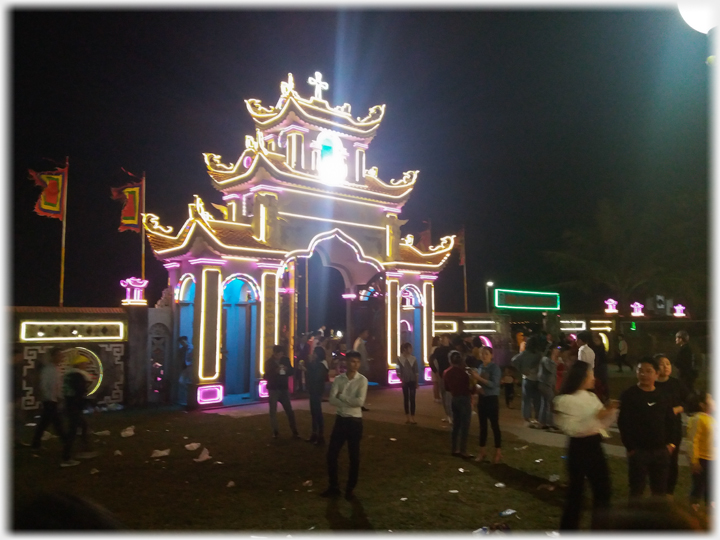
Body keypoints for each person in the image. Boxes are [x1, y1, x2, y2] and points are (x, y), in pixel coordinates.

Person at [553, 360, 618, 530]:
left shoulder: (591, 397)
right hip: (579, 447)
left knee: (603, 490)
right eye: (591, 374)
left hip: (595, 446)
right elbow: (572, 428)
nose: (594, 378)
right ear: (581, 377)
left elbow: (602, 423)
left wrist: (609, 412)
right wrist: (598, 417)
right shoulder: (564, 400)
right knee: (576, 494)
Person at [617, 356, 676, 500]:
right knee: (637, 490)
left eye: (648, 371)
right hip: (638, 451)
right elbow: (623, 423)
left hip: (661, 451)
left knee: (659, 492)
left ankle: (658, 520)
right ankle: (636, 520)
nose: (644, 374)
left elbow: (671, 421)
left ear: (656, 374)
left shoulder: (663, 396)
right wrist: (630, 447)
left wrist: (671, 444)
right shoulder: (629, 395)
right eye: (640, 371)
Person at [320, 350, 368, 501]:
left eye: (357, 362)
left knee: (354, 457)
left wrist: (342, 396)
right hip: (341, 420)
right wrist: (347, 399)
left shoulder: (362, 380)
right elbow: (332, 400)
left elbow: (359, 402)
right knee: (332, 454)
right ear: (346, 362)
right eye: (352, 361)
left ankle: (350, 488)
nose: (355, 364)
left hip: (354, 421)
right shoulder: (339, 379)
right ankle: (334, 486)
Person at [654, 353, 691, 498]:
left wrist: (678, 408)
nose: (666, 367)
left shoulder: (676, 384)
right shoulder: (652, 384)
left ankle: (669, 492)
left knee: (672, 460)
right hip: (656, 429)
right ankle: (657, 491)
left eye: (668, 363)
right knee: (657, 461)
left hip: (673, 429)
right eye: (662, 364)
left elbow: (690, 401)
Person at [61, 354, 98, 467]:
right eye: (85, 363)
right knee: (74, 430)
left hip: (70, 404)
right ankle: (67, 457)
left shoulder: (69, 375)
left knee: (81, 427)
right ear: (80, 364)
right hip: (75, 406)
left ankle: (82, 450)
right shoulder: (79, 376)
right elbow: (80, 392)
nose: (87, 365)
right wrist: (90, 403)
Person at [470, 346, 502, 463]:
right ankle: (482, 451)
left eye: (486, 354)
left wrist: (479, 378)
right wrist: (477, 386)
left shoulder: (495, 368)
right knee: (483, 426)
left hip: (492, 399)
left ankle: (498, 451)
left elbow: (494, 384)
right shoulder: (480, 367)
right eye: (482, 354)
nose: (484, 356)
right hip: (482, 399)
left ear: (491, 355)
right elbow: (477, 383)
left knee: (494, 426)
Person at [31, 347, 67, 450]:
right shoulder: (48, 369)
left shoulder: (55, 369)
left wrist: (58, 396)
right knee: (55, 422)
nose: (61, 358)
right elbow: (44, 385)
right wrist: (49, 397)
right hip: (49, 400)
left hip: (52, 399)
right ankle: (65, 440)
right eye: (59, 355)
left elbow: (57, 385)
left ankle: (36, 443)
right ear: (53, 356)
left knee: (46, 422)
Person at [443, 351, 475, 459]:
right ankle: (463, 450)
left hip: (454, 399)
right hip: (464, 399)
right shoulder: (464, 373)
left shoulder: (446, 372)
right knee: (465, 425)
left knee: (456, 425)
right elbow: (472, 388)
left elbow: (447, 388)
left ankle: (454, 448)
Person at [264, 345, 300, 439]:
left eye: (281, 354)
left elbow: (292, 371)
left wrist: (287, 370)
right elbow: (266, 376)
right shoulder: (269, 363)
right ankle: (275, 431)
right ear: (275, 353)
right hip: (274, 388)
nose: (280, 356)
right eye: (279, 354)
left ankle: (294, 431)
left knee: (289, 410)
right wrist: (275, 371)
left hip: (283, 388)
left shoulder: (285, 360)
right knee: (273, 411)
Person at [688, 390, 713, 511]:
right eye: (710, 400)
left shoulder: (712, 419)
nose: (714, 402)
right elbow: (693, 440)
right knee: (699, 485)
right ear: (702, 405)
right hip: (702, 459)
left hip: (713, 458)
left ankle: (710, 507)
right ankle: (693, 507)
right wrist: (694, 460)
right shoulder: (698, 419)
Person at [511, 334, 543, 428]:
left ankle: (527, 417)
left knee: (526, 400)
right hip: (537, 379)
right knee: (537, 400)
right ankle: (538, 417)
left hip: (527, 378)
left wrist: (521, 369)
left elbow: (513, 360)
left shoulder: (524, 354)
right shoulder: (539, 354)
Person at [305, 346, 329, 445]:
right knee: (314, 412)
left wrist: (308, 368)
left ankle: (320, 435)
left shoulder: (322, 365)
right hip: (314, 390)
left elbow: (316, 377)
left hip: (317, 390)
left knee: (317, 413)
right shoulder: (319, 364)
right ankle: (315, 434)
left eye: (315, 353)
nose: (313, 355)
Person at [538, 344, 562, 431]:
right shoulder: (546, 359)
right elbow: (550, 369)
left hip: (548, 384)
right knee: (550, 403)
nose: (558, 350)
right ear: (552, 350)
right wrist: (555, 362)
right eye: (557, 349)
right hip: (544, 384)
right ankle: (550, 423)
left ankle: (543, 422)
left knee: (545, 403)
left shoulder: (551, 360)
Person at [431, 334, 453, 423]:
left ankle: (450, 415)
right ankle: (448, 415)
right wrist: (435, 371)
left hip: (451, 376)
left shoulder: (452, 349)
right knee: (444, 395)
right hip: (442, 375)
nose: (442, 340)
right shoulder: (438, 350)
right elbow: (431, 360)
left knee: (449, 396)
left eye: (444, 338)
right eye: (441, 338)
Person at [396, 342, 419, 424]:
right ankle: (408, 417)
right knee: (406, 399)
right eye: (410, 348)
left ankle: (412, 417)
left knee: (412, 399)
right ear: (405, 349)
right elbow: (398, 370)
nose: (411, 349)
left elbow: (416, 372)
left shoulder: (413, 359)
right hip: (405, 381)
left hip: (411, 381)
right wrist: (401, 380)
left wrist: (416, 382)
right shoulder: (400, 359)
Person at [12, 345, 30, 447]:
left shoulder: (16, 368)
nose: (21, 358)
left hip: (16, 398)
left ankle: (17, 440)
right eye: (20, 356)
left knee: (19, 420)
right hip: (12, 399)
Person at [591, 333, 609, 403]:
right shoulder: (594, 348)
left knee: (603, 381)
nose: (596, 342)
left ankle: (605, 396)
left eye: (597, 340)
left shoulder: (601, 348)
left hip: (601, 366)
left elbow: (602, 358)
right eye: (594, 340)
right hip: (598, 366)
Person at [429, 336, 441, 403]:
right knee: (436, 383)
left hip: (434, 367)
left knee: (435, 383)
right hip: (436, 367)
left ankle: (436, 397)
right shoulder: (436, 349)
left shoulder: (432, 348)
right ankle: (437, 397)